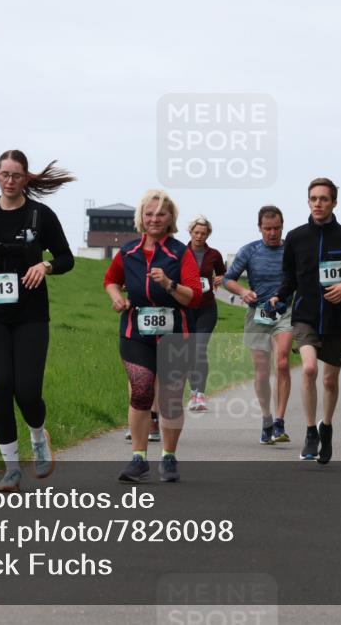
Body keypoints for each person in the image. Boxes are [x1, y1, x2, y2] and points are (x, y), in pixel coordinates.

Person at [0, 149, 75, 492]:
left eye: (16, 176)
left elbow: (66, 257)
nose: (9, 181)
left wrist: (46, 265)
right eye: (4, 175)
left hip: (31, 314)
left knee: (27, 390)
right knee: (0, 387)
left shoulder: (41, 215)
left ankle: (38, 434)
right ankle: (10, 468)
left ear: (26, 179)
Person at [270, 178, 341, 464]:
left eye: (324, 199)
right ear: (308, 202)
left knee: (329, 380)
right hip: (305, 316)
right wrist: (279, 297)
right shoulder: (296, 237)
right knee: (310, 369)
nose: (318, 203)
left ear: (334, 203)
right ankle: (309, 431)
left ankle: (325, 427)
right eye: (313, 198)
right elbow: (289, 278)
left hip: (338, 320)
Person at [104, 190, 202, 483]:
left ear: (170, 218)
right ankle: (138, 458)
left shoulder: (180, 252)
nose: (154, 219)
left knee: (170, 397)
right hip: (136, 331)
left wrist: (170, 284)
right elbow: (111, 280)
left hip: (174, 332)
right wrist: (116, 298)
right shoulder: (129, 251)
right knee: (142, 389)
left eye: (161, 214)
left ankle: (169, 458)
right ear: (141, 217)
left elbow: (194, 297)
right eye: (149, 213)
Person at [223, 206, 294, 445]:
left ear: (282, 227)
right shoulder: (250, 250)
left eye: (276, 228)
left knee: (282, 362)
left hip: (285, 312)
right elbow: (227, 279)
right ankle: (266, 418)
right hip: (258, 313)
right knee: (262, 372)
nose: (272, 233)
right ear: (259, 228)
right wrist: (243, 291)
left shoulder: (291, 250)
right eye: (267, 229)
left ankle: (280, 422)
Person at [185, 216, 226, 412]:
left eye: (203, 233)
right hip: (185, 308)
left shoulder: (214, 255)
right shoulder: (180, 252)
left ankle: (199, 394)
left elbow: (223, 274)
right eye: (196, 233)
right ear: (190, 233)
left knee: (199, 348)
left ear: (208, 234)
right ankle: (191, 392)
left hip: (207, 309)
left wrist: (221, 278)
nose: (199, 236)